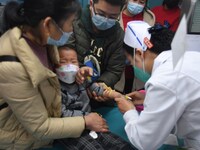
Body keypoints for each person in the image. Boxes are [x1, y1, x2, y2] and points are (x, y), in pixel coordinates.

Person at [0, 0, 123, 149]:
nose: (72, 30)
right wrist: (85, 121)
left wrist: (81, 73)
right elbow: (40, 127)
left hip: (58, 114)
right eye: (71, 24)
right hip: (25, 135)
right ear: (48, 25)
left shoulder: (43, 39)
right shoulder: (12, 66)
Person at [115, 20, 200, 150]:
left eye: (131, 62)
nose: (133, 67)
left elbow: (144, 142)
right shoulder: (190, 56)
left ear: (139, 53)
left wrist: (129, 111)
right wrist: (147, 98)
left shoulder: (163, 80)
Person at [56, 46, 134, 150]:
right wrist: (87, 118)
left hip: (93, 123)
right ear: (54, 65)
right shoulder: (55, 88)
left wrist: (115, 95)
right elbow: (62, 113)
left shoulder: (82, 79)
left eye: (73, 61)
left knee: (120, 145)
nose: (69, 66)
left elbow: (97, 89)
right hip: (72, 130)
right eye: (63, 62)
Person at [66, 0, 126, 107]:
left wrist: (101, 84)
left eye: (112, 17)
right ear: (91, 4)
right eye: (101, 14)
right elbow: (65, 59)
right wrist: (87, 83)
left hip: (99, 96)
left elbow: (115, 70)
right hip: (71, 93)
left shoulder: (119, 36)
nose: (105, 20)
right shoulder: (72, 21)